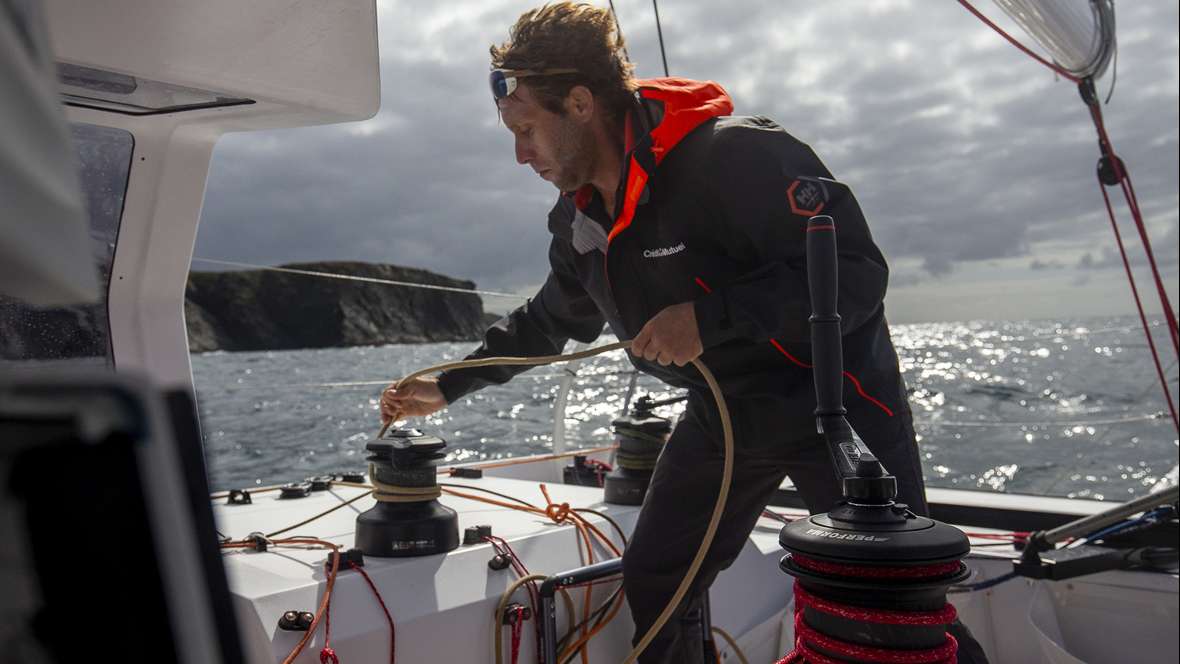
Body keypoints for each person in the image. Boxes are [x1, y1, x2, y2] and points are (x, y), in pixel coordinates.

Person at [382, 4, 983, 663]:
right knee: (657, 579)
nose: (521, 154)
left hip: (838, 409)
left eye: (527, 129)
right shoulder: (579, 223)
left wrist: (707, 319)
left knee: (897, 602)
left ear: (579, 103)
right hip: (725, 418)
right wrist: (444, 385)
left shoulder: (737, 158)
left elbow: (856, 272)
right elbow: (547, 322)